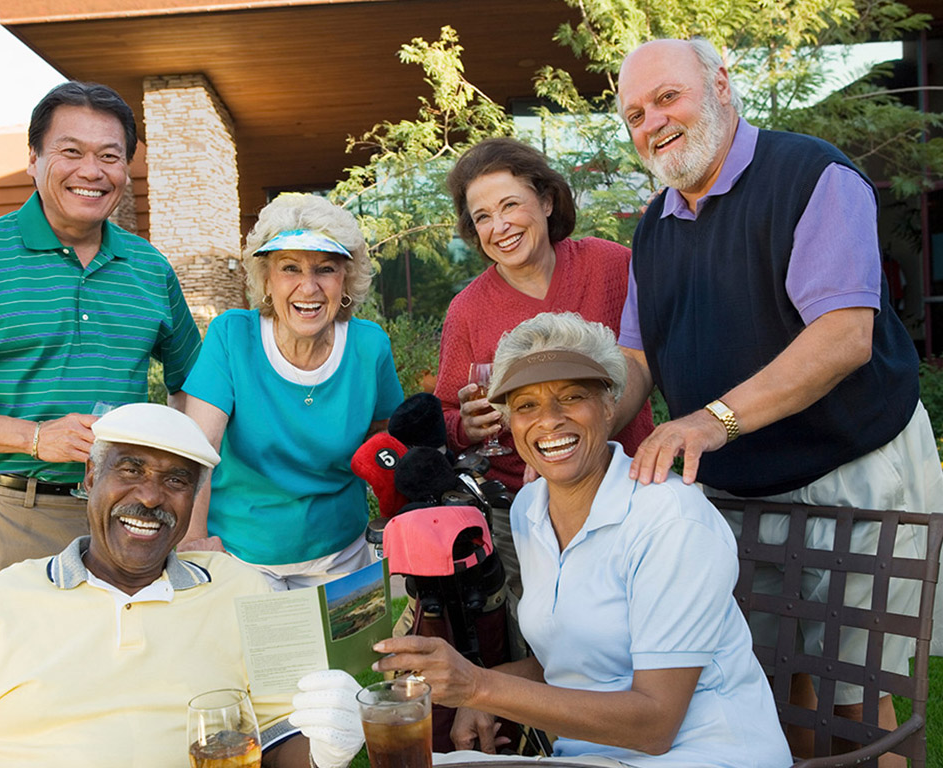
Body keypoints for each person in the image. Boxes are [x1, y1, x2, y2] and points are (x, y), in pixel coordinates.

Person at [614, 37, 943, 760]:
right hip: (737, 492)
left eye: (668, 97)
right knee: (767, 685)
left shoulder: (812, 175)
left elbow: (843, 337)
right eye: (636, 113)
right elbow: (635, 360)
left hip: (854, 468)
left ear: (722, 86)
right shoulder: (652, 227)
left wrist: (711, 420)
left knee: (854, 694)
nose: (653, 122)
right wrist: (580, 422)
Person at [375, 312, 791, 768]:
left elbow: (655, 725)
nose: (549, 420)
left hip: (708, 754)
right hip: (593, 756)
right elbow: (576, 660)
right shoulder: (529, 510)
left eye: (572, 396)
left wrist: (480, 686)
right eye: (527, 405)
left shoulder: (670, 520)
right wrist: (484, 687)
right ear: (509, 422)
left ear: (610, 403)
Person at [0, 403, 364, 768]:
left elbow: (283, 740)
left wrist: (327, 749)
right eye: (130, 470)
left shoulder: (246, 590)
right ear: (90, 479)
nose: (150, 497)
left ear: (193, 500)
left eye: (176, 480)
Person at [0, 82, 201, 592]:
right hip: (16, 516)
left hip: (135, 518)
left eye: (110, 156)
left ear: (126, 169)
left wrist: (179, 488)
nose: (91, 171)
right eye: (71, 151)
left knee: (137, 666)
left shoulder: (150, 268)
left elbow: (196, 388)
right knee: (18, 670)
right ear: (33, 158)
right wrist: (35, 437)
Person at [181, 193, 404, 589]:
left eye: (325, 269)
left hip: (341, 556)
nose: (309, 287)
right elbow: (197, 450)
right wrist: (195, 543)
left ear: (346, 280)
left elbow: (387, 442)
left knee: (348, 653)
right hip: (240, 559)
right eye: (289, 268)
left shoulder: (369, 346)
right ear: (266, 279)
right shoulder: (232, 336)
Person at [435, 137, 653, 493]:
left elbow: (651, 359)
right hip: (524, 497)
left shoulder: (610, 265)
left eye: (510, 205)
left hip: (628, 481)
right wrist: (466, 427)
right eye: (483, 217)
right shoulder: (467, 309)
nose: (500, 226)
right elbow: (445, 415)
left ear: (547, 201)